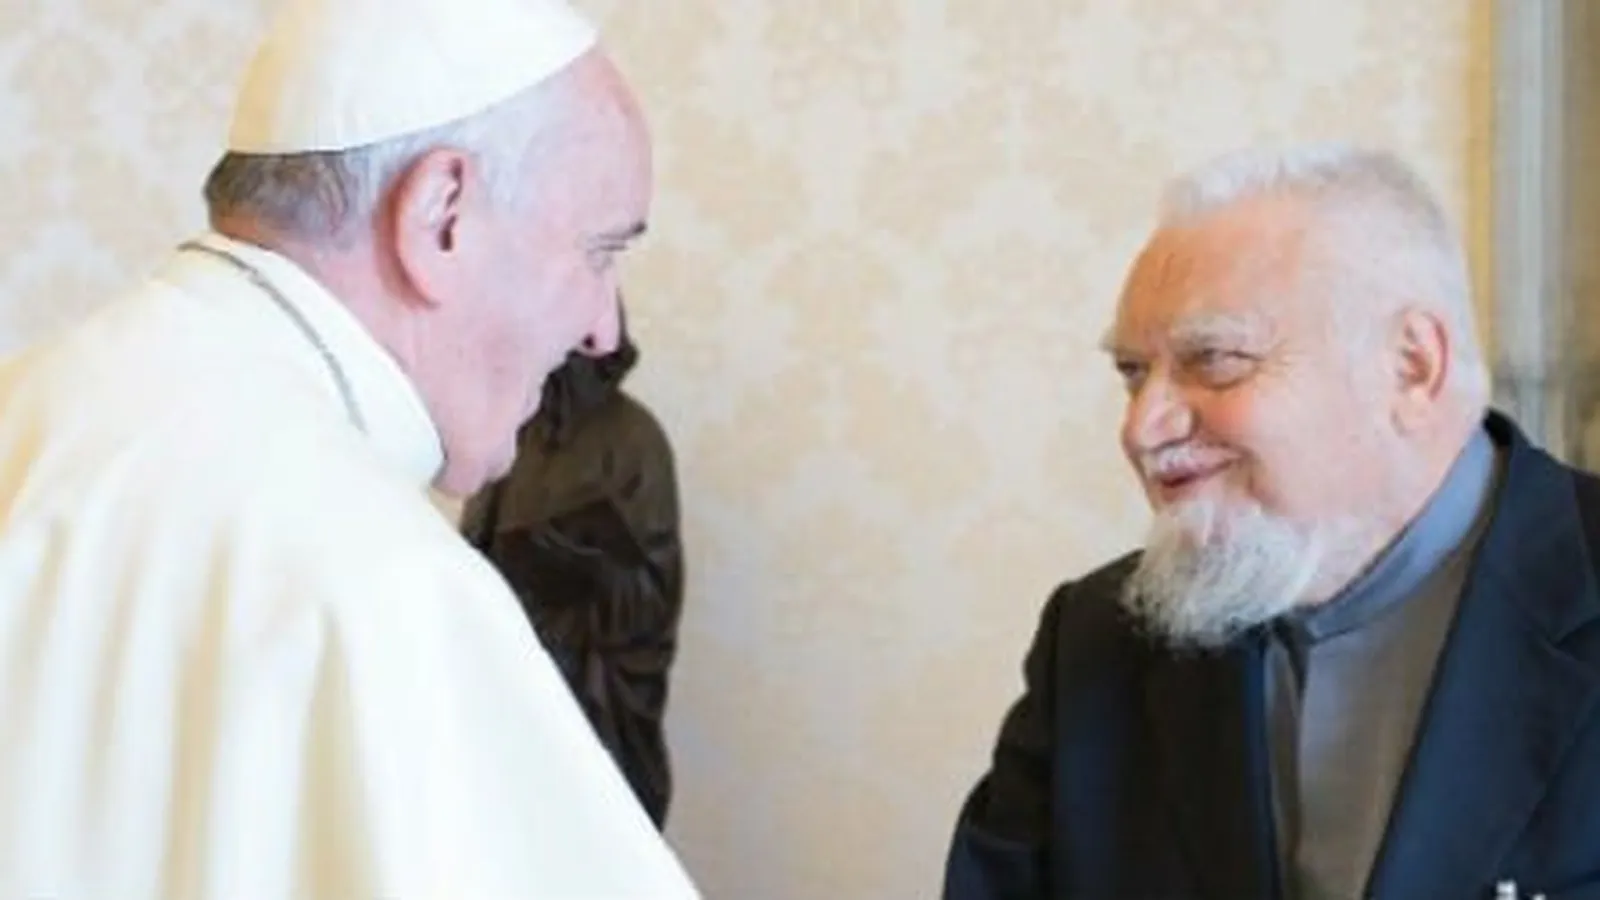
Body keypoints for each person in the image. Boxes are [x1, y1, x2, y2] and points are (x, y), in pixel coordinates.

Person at [0, 0, 700, 896]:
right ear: (442, 214)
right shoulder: (381, 585)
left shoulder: (27, 406)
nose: (603, 328)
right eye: (600, 253)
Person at [943, 144, 1600, 900]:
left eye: (1214, 360)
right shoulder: (1096, 641)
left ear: (1411, 366)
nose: (1143, 428)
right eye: (1133, 373)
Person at [461, 307, 686, 828]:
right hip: (514, 681)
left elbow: (654, 588)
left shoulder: (633, 439)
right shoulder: (515, 434)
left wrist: (582, 569)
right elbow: (472, 551)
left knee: (596, 824)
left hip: (596, 687)